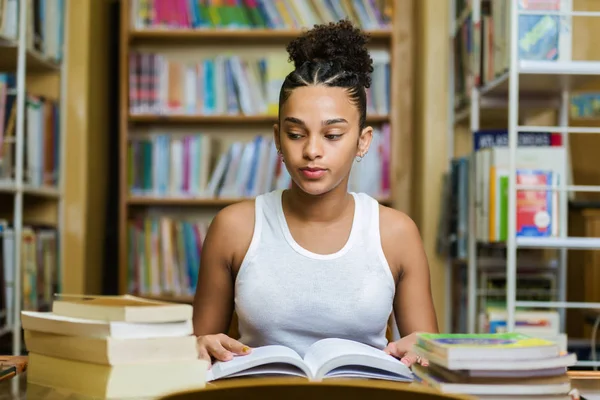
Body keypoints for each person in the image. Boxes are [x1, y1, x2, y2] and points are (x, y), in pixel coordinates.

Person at [192, 19, 438, 369]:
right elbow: (197, 355)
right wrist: (201, 345)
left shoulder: (396, 233)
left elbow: (427, 358)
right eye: (296, 134)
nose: (312, 151)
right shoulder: (234, 227)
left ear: (362, 141)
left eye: (332, 135)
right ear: (278, 138)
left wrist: (426, 350)